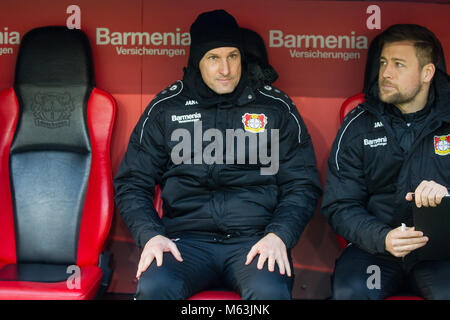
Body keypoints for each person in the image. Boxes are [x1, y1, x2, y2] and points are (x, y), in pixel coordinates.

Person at [114, 9, 322, 300]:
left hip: (255, 241)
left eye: (232, 56)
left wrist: (279, 235)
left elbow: (301, 183)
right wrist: (150, 235)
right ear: (197, 61)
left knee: (269, 293)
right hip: (185, 242)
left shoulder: (274, 107)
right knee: (154, 289)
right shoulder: (166, 108)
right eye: (213, 58)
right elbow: (132, 182)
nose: (225, 69)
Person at [321, 24, 450, 300]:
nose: (386, 73)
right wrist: (383, 238)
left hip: (440, 254)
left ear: (427, 73)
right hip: (376, 251)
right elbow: (339, 204)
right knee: (351, 293)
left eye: (399, 64)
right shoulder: (358, 124)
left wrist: (447, 198)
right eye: (383, 62)